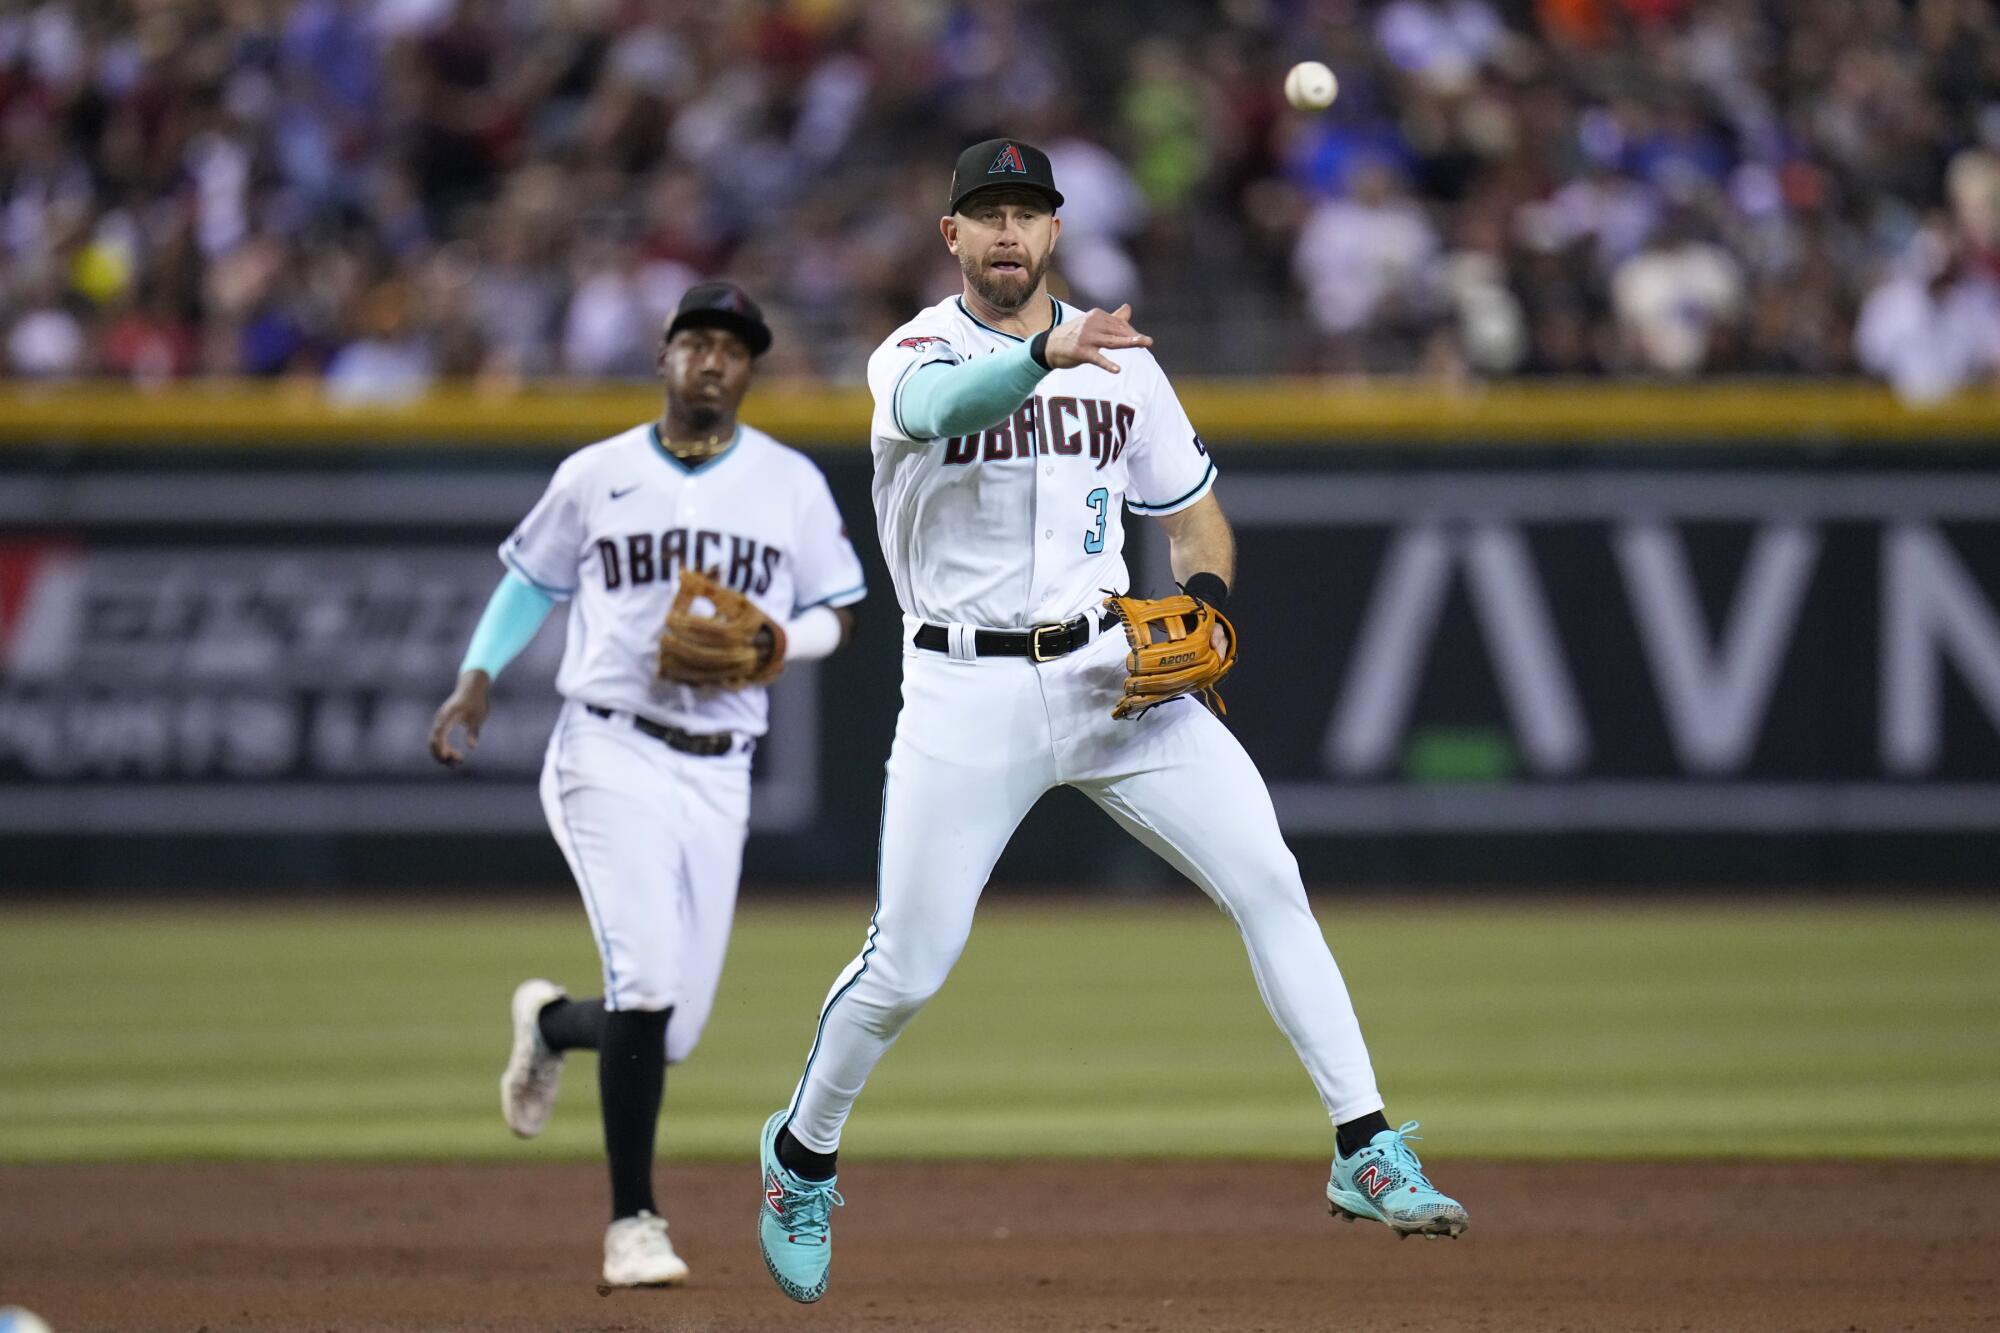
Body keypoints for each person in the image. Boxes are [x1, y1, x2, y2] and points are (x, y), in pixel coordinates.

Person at [754, 139, 1466, 1306]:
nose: (1005, 234)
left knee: (1268, 879)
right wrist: (1046, 351)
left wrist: (1206, 607)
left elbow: (1195, 521)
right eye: (984, 214)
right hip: (963, 689)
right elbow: (940, 408)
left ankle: (1363, 1144)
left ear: (1052, 233)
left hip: (1112, 679)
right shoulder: (913, 350)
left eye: (1025, 215)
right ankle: (800, 1155)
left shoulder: (1122, 361)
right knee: (907, 968)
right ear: (951, 238)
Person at [429, 282, 866, 1289]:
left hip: (720, 770)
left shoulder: (790, 484)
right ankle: (633, 1222)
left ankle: (547, 1025)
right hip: (608, 747)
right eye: (697, 341)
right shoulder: (597, 473)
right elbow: (531, 578)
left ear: (751, 370)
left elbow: (841, 610)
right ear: (663, 358)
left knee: (671, 1028)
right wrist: (477, 673)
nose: (714, 359)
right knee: (650, 986)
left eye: (734, 347)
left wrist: (774, 640)